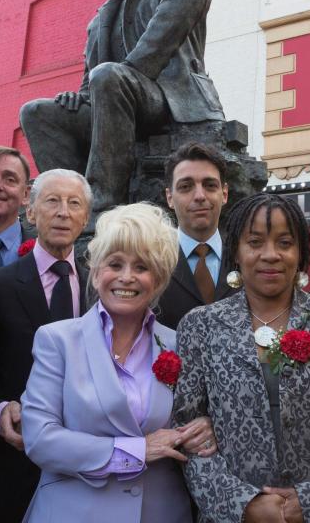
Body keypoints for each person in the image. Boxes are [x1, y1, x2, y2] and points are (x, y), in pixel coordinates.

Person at [173, 192, 310, 522]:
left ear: (301, 251)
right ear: (236, 249)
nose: (271, 255)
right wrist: (244, 505)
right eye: (255, 242)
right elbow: (187, 433)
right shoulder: (199, 326)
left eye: (285, 243)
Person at [19, 0, 225, 221]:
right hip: (116, 99)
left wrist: (130, 71)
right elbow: (92, 79)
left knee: (110, 77)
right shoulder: (102, 17)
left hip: (172, 101)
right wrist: (81, 98)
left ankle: (99, 202)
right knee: (36, 113)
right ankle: (67, 195)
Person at [19, 202, 214, 522]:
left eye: (141, 267)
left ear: (159, 279)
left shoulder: (180, 344)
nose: (127, 277)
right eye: (115, 264)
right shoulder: (57, 341)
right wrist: (136, 450)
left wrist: (206, 428)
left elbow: (199, 418)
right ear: (95, 274)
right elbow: (40, 440)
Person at [0, 168, 93, 521]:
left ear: (86, 217)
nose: (63, 212)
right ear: (31, 213)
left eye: (74, 203)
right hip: (8, 465)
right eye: (52, 201)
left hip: (81, 471)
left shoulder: (101, 289)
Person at [157, 142, 235, 329]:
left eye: (210, 185)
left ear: (224, 193)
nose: (200, 195)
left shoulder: (245, 258)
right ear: (170, 197)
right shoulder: (153, 261)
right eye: (186, 186)